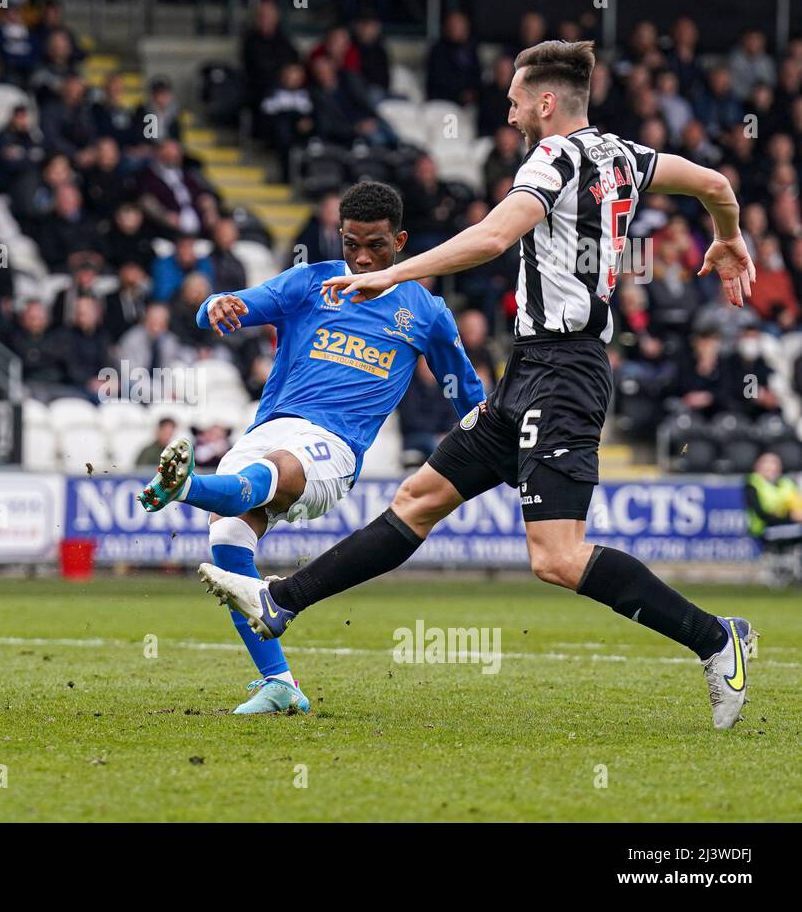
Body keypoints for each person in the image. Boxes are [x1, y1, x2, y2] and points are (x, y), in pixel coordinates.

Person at [201, 40, 761, 730]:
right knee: (420, 497)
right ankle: (282, 601)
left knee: (555, 557)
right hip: (528, 372)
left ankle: (717, 640)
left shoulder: (553, 157)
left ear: (546, 103)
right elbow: (716, 185)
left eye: (517, 98)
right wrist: (729, 237)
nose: (510, 108)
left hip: (566, 374)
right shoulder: (627, 156)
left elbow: (495, 237)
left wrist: (388, 274)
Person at [140, 181, 483, 714]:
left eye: (376, 246)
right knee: (228, 542)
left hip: (334, 447)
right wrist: (218, 304)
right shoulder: (310, 283)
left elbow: (462, 389)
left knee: (277, 472)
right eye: (351, 244)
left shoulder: (426, 311)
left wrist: (487, 442)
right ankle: (280, 684)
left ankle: (185, 486)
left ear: (402, 241)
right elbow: (220, 310)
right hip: (270, 428)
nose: (362, 258)